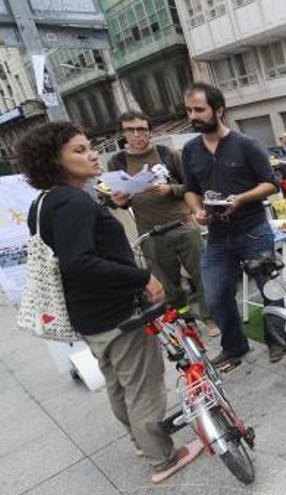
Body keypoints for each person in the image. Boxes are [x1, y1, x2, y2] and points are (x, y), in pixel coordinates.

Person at [16, 121, 203, 484]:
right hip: (117, 313)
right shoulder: (72, 201)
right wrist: (142, 277)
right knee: (143, 386)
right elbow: (80, 261)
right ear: (55, 161)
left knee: (118, 384)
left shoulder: (44, 202)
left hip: (89, 316)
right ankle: (163, 457)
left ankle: (140, 440)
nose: (92, 155)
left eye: (90, 147)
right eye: (79, 150)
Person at [181, 82, 284, 369]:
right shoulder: (190, 150)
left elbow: (270, 184)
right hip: (216, 237)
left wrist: (241, 199)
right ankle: (234, 346)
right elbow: (189, 189)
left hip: (253, 231)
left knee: (270, 290)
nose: (193, 116)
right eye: (189, 110)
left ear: (219, 110)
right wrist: (197, 209)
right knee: (215, 295)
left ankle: (278, 340)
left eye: (199, 110)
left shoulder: (246, 144)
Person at [107, 111, 219, 338]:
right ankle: (187, 321)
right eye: (131, 130)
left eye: (142, 129)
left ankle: (210, 317)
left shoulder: (168, 154)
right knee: (169, 286)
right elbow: (117, 198)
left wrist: (171, 189)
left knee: (203, 274)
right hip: (151, 234)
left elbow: (191, 186)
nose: (137, 134)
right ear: (123, 134)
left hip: (183, 224)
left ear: (150, 131)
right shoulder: (117, 161)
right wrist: (118, 200)